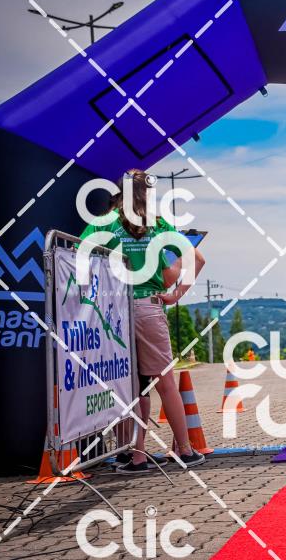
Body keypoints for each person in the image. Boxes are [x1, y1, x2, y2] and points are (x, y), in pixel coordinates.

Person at [80, 169, 206, 474]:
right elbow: (198, 259)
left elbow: (77, 255)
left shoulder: (105, 223)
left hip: (115, 311)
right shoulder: (157, 225)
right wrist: (176, 295)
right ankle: (185, 451)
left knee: (131, 386)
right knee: (166, 383)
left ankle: (136, 457)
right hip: (149, 308)